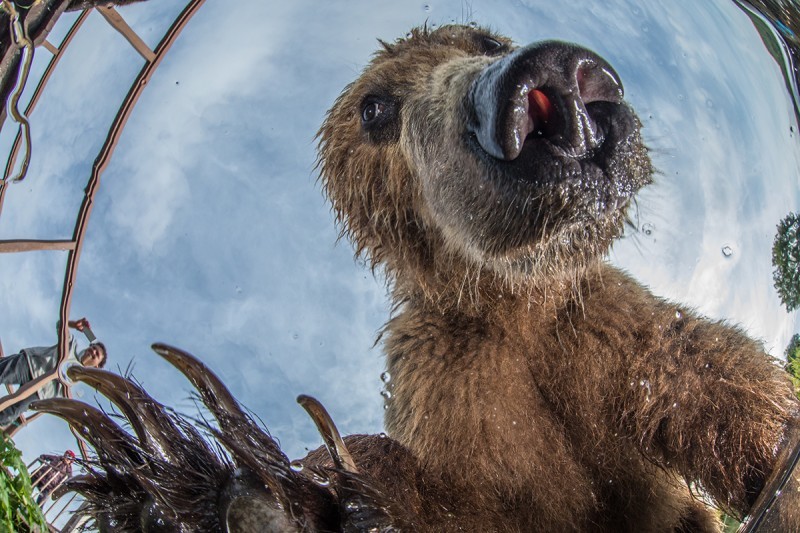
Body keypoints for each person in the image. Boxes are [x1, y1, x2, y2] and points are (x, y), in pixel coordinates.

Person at [0, 318, 106, 426]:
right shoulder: (71, 345)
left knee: (9, 414)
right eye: (93, 348)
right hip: (31, 365)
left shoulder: (78, 379)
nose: (93, 351)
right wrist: (74, 324)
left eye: (96, 354)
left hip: (40, 391)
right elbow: (61, 325)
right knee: (2, 372)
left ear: (97, 366)